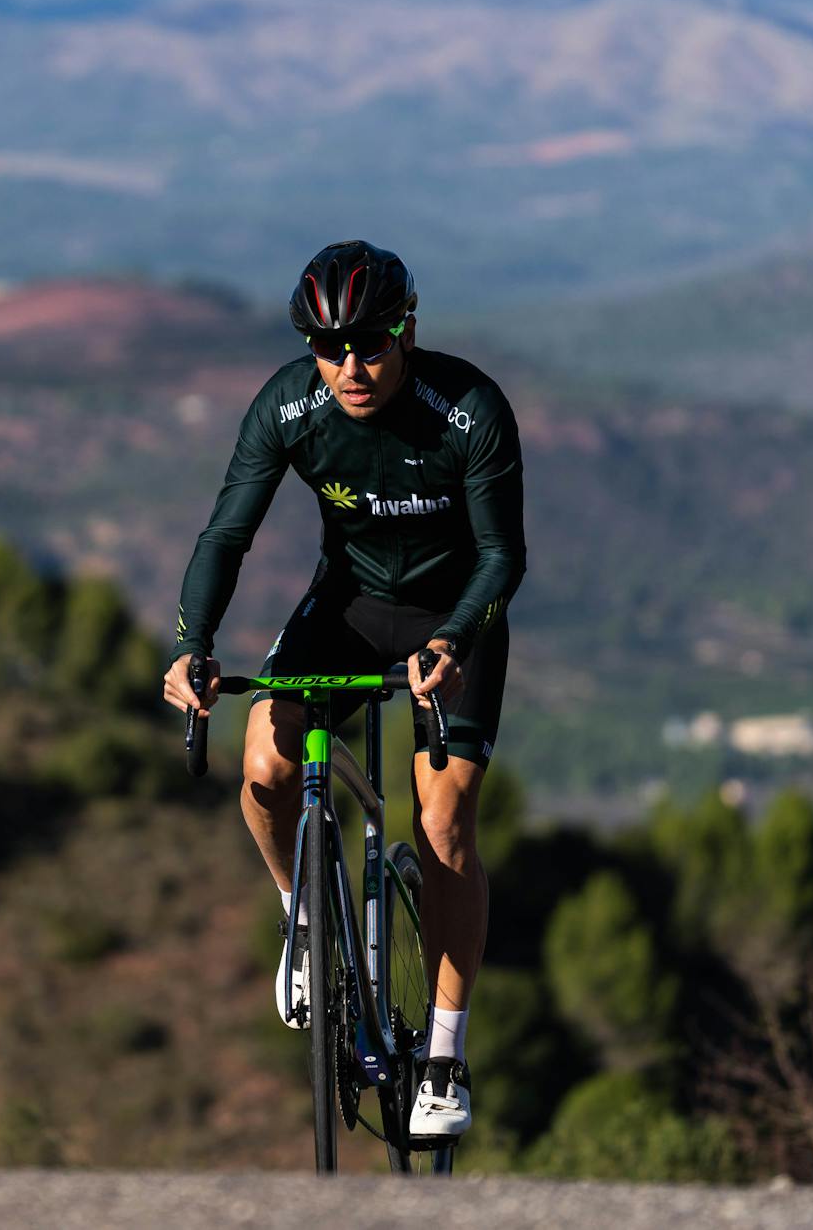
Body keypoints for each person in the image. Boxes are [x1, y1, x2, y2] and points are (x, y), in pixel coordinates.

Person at [160, 239, 525, 1144]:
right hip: (350, 604)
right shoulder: (290, 403)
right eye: (329, 348)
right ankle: (303, 917)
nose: (350, 367)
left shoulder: (468, 408)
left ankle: (442, 1051)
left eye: (367, 344)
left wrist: (451, 636)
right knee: (264, 761)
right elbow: (226, 534)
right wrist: (194, 646)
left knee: (441, 825)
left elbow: (502, 557)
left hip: (455, 616)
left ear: (406, 331)